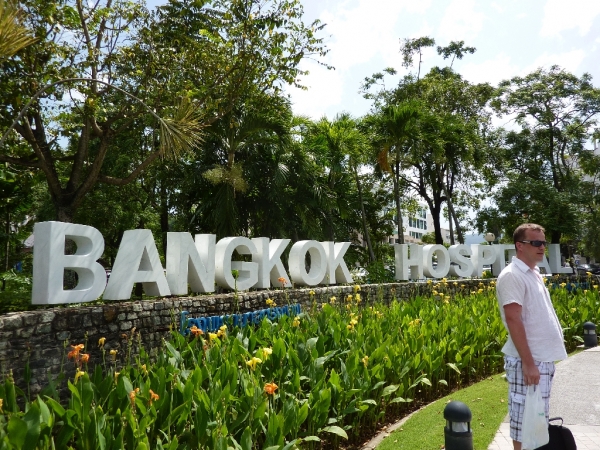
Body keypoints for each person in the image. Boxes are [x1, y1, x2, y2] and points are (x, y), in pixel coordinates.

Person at [496, 223, 567, 450]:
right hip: (529, 361)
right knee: (524, 421)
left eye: (543, 243)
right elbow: (513, 319)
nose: (542, 247)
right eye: (535, 243)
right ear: (519, 245)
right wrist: (528, 363)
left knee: (536, 420)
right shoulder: (512, 275)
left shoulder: (533, 273)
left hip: (540, 360)